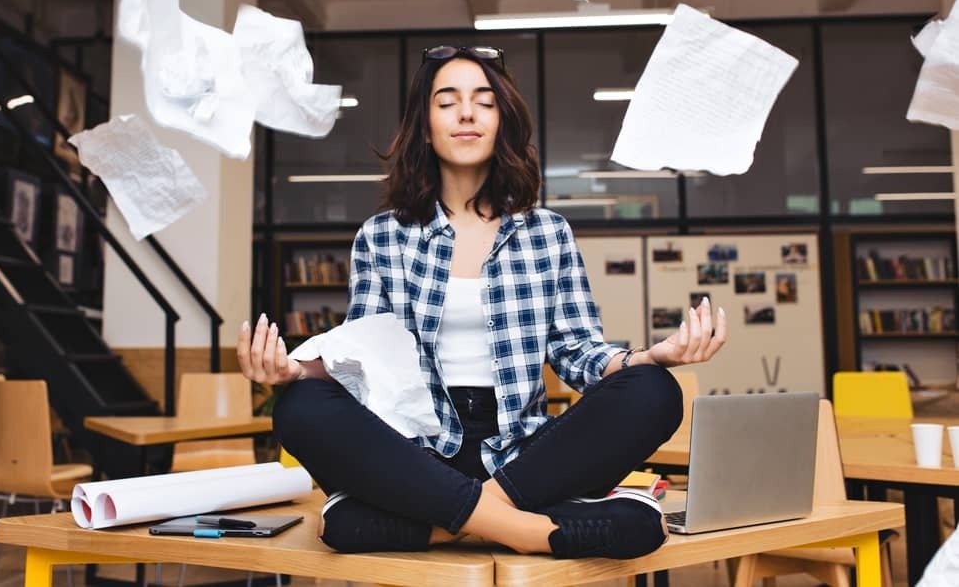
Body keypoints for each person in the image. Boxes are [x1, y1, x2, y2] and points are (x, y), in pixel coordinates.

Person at [237, 44, 727, 559]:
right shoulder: (382, 236)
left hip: (525, 459)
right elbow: (367, 365)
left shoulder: (547, 233)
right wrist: (292, 373)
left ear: (502, 121)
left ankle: (456, 519)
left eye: (483, 101)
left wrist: (652, 357)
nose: (466, 113)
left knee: (655, 390)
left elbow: (578, 353)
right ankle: (527, 532)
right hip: (416, 453)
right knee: (299, 408)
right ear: (425, 126)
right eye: (447, 101)